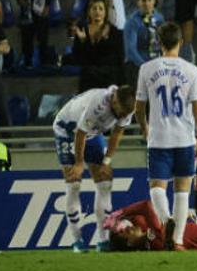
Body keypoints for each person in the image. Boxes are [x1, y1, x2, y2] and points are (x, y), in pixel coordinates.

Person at [135, 22, 197, 251]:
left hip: (159, 138)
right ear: (181, 42)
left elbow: (139, 107)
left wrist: (145, 129)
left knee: (156, 187)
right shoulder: (191, 70)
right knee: (182, 190)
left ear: (159, 42)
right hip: (184, 138)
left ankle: (166, 220)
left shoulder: (146, 68)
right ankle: (176, 240)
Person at [53, 84, 136, 252]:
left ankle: (103, 241)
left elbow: (117, 133)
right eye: (121, 111)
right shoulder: (98, 105)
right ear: (114, 100)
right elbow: (80, 133)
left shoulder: (127, 108)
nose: (122, 116)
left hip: (92, 133)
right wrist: (78, 163)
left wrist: (107, 160)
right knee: (74, 183)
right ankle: (77, 241)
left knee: (105, 181)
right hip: (67, 130)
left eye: (125, 114)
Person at [73, 0, 125, 92]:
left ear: (105, 13)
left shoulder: (115, 32)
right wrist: (83, 41)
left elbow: (119, 58)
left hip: (109, 75)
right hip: (89, 76)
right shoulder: (81, 31)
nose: (97, 12)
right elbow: (78, 58)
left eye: (101, 9)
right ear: (89, 12)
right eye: (94, 8)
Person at [123, 0, 164, 85]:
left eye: (150, 0)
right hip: (137, 64)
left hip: (157, 62)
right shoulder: (132, 22)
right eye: (143, 0)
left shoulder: (160, 18)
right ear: (138, 3)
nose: (147, 4)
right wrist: (146, 67)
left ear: (154, 1)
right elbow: (131, 51)